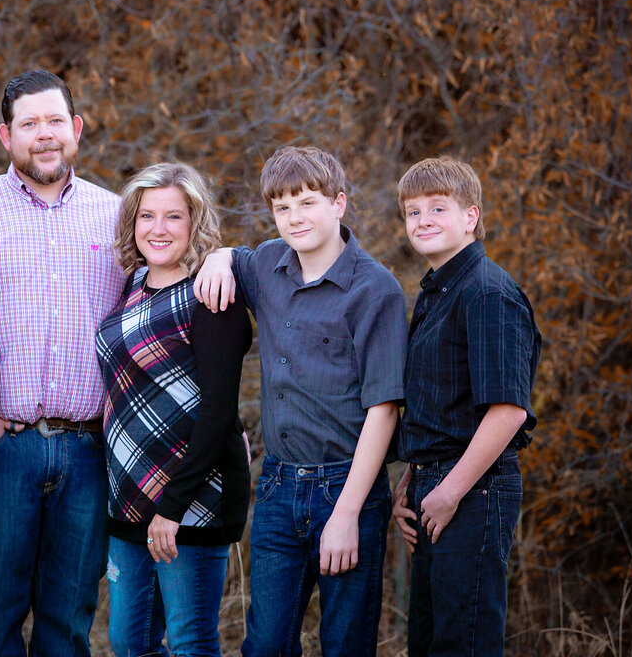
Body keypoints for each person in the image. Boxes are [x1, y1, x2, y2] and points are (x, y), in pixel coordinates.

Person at [0, 70, 126, 657]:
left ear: (75, 129)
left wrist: (224, 258)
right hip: (1, 447)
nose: (43, 136)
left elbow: (166, 292)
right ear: (5, 136)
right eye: (29, 124)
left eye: (54, 122)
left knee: (69, 623)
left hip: (88, 451)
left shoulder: (121, 217)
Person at [194, 146, 407, 657]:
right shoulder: (267, 264)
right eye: (282, 208)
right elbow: (235, 257)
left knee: (344, 643)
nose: (295, 218)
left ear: (339, 203)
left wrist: (348, 513)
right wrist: (219, 256)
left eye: (308, 203)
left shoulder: (375, 290)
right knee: (266, 643)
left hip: (347, 485)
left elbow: (384, 410)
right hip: (279, 487)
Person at [96, 163, 253, 657]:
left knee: (190, 643)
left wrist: (172, 508)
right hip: (127, 500)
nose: (158, 229)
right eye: (147, 216)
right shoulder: (131, 288)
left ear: (194, 222)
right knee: (129, 641)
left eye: (173, 216)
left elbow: (217, 414)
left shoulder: (212, 297)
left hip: (191, 504)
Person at [389, 156, 540, 657]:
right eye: (413, 212)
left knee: (465, 643)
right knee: (430, 643)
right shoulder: (437, 290)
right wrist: (413, 480)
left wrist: (450, 490)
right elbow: (442, 404)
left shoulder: (487, 292)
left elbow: (508, 411)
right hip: (435, 484)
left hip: (475, 490)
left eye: (438, 208)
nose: (424, 220)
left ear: (470, 216)